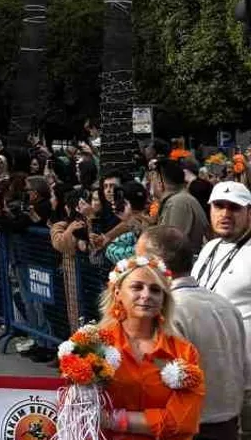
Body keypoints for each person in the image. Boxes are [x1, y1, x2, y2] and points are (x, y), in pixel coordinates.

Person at [137, 226, 247, 440]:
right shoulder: (226, 306)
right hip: (227, 426)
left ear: (155, 265)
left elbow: (159, 385)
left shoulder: (167, 313)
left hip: (188, 427)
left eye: (138, 261)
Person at [97, 254, 204, 440]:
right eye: (137, 287)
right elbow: (77, 408)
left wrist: (111, 419)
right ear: (117, 293)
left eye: (155, 290)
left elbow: (182, 423)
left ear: (164, 299)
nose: (146, 295)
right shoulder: (92, 344)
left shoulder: (184, 351)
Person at [192, 180, 251, 440]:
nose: (225, 214)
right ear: (210, 210)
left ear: (249, 212)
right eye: (219, 206)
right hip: (211, 378)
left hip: (247, 380)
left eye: (234, 208)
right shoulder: (210, 248)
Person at [157, 159, 210, 254]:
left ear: (160, 182)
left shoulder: (179, 202)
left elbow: (172, 248)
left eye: (151, 178)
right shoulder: (179, 199)